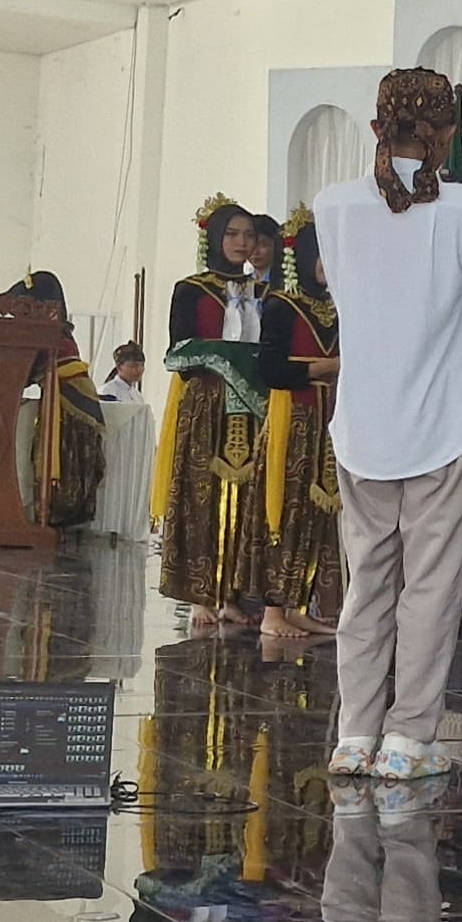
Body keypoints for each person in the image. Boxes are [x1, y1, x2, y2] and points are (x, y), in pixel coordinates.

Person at [311, 69, 462, 787]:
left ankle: (354, 735)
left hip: (365, 422)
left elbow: (345, 293)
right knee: (430, 585)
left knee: (366, 584)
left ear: (376, 127)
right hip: (444, 422)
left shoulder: (332, 204)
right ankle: (407, 738)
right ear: (449, 132)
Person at [160, 201, 316, 627]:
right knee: (203, 495)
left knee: (249, 498)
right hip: (208, 405)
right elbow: (178, 353)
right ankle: (201, 594)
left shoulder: (268, 295)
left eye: (249, 235)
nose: (242, 242)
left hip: (255, 409)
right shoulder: (191, 289)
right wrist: (227, 358)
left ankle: (232, 594)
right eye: (232, 234)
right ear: (214, 237)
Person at [263, 211, 345, 643]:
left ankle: (302, 605)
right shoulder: (281, 305)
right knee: (286, 506)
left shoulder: (339, 305)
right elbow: (272, 370)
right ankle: (273, 609)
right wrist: (327, 367)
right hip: (294, 418)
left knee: (321, 513)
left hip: (330, 416)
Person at [12, 269, 107, 531]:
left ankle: (55, 517)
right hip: (73, 394)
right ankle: (59, 519)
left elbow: (25, 370)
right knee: (72, 460)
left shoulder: (46, 332)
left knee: (66, 458)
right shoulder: (58, 329)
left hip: (67, 399)